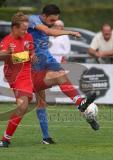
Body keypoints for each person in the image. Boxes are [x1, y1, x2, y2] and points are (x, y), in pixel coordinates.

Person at [28, 4, 99, 145]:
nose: (54, 23)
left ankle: (82, 106)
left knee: (61, 76)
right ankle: (80, 105)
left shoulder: (46, 24)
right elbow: (48, 31)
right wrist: (70, 32)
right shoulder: (33, 19)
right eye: (52, 20)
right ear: (44, 16)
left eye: (56, 20)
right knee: (42, 100)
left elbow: (48, 32)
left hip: (47, 61)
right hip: (34, 66)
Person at [0, 12, 36, 148]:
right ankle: (5, 139)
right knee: (23, 106)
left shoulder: (28, 37)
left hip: (27, 74)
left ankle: (6, 138)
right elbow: (1, 56)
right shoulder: (7, 40)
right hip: (14, 75)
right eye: (23, 29)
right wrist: (8, 52)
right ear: (14, 28)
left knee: (25, 105)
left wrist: (32, 56)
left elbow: (32, 53)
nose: (26, 32)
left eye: (27, 29)